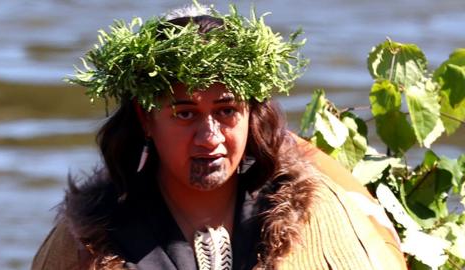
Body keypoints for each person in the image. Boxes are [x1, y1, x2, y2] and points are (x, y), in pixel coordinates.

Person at [32, 4, 407, 270]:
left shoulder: (318, 220)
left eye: (226, 111)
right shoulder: (88, 244)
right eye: (185, 114)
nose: (210, 137)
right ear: (146, 120)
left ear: (250, 114)